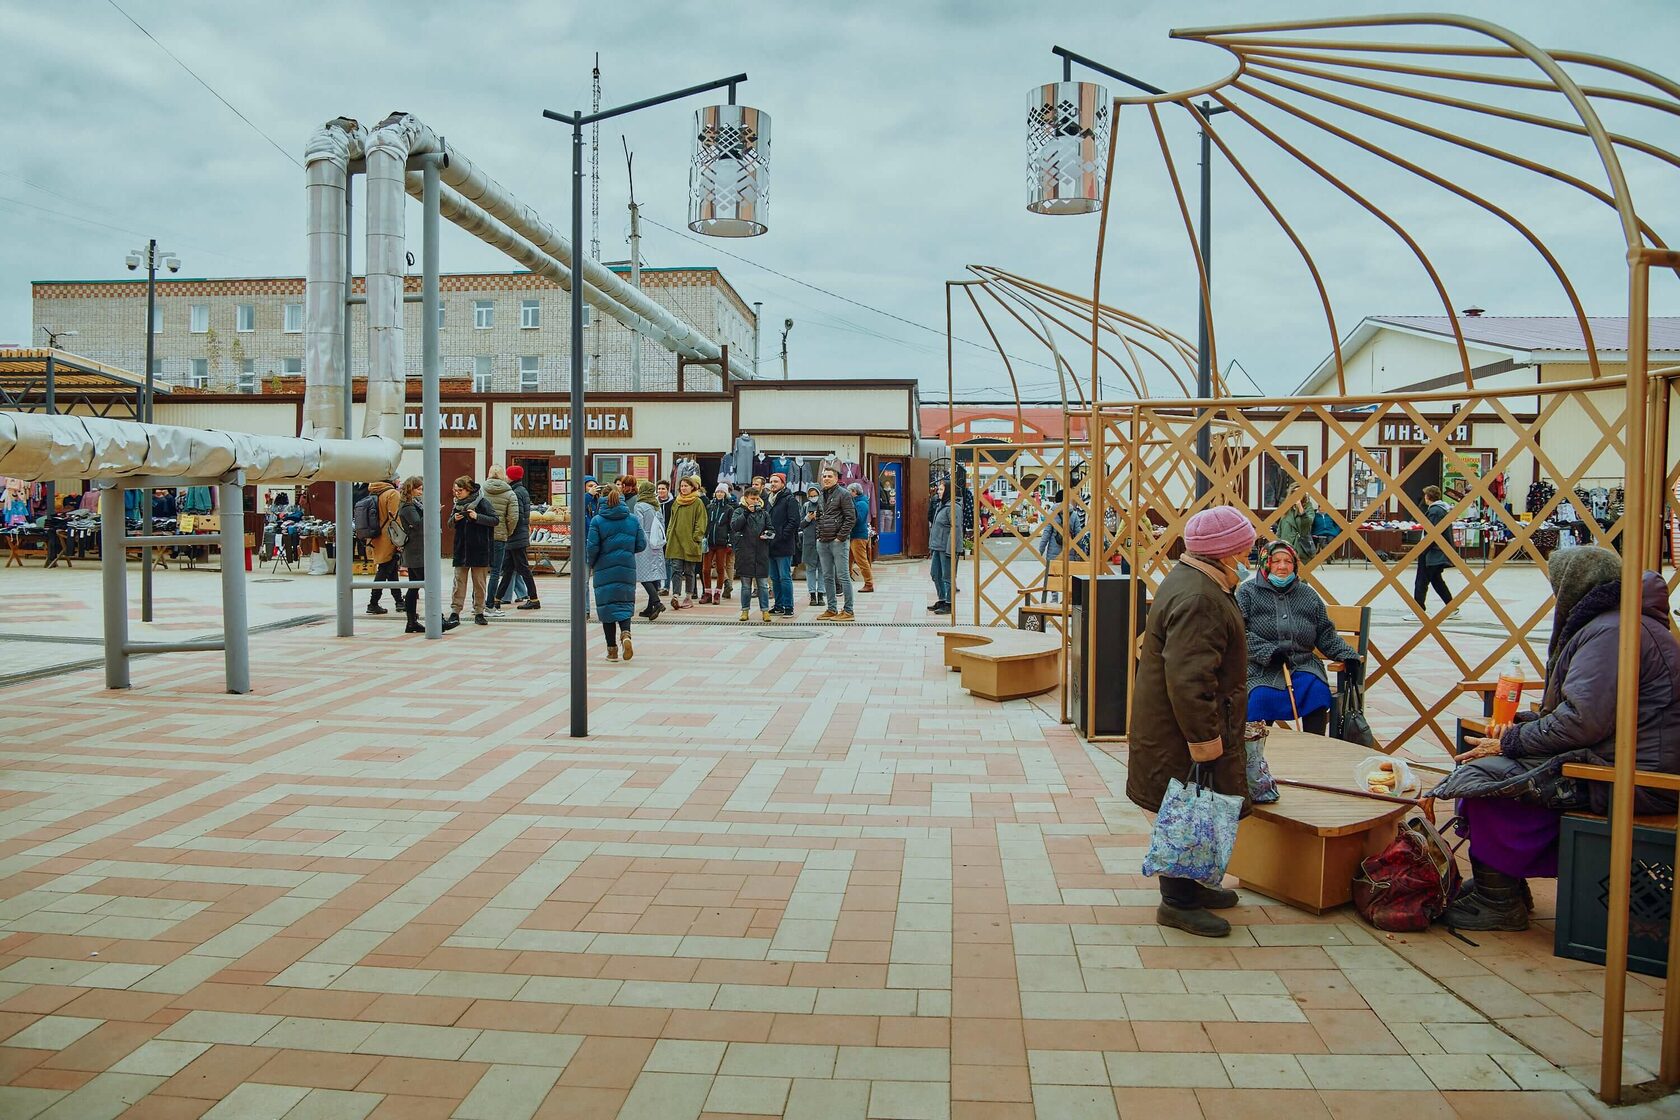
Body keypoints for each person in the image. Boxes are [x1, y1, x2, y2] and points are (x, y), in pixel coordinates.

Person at [1430, 546, 1680, 931]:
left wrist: (1511, 742)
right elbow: (1590, 713)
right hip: (1614, 759)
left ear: (1572, 587)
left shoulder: (1613, 631)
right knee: (1486, 765)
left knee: (1486, 781)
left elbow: (1583, 721)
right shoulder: (1615, 624)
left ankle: (1499, 902)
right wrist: (1524, 726)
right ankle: (1500, 888)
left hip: (1634, 777)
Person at [1127, 505, 1257, 938]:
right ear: (1227, 551)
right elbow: (1189, 678)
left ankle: (1191, 887)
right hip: (1183, 730)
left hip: (1174, 725)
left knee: (1195, 801)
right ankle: (1177, 902)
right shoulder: (1201, 596)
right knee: (1186, 805)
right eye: (1243, 546)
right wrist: (1204, 738)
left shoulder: (1193, 579)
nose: (1247, 553)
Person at [1235, 541, 1361, 734]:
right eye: (1276, 561)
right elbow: (1238, 633)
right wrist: (1269, 652)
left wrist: (1347, 655)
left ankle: (1313, 747)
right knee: (1260, 697)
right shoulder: (1247, 592)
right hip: (1262, 669)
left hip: (1303, 665)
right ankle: (1258, 753)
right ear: (1265, 564)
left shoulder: (1307, 594)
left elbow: (1325, 633)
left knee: (1316, 692)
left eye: (1288, 561)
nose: (1283, 566)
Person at [587, 487, 646, 661]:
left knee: (607, 609)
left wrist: (592, 562)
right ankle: (626, 635)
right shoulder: (632, 520)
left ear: (602, 499)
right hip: (626, 568)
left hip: (604, 569)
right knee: (624, 603)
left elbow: (592, 548)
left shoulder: (597, 521)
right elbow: (641, 544)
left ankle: (611, 650)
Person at [396, 477, 456, 634]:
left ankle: (412, 622)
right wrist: (433, 511)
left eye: (422, 489)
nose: (421, 492)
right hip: (417, 552)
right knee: (427, 585)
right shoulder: (408, 507)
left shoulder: (414, 504)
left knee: (415, 587)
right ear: (410, 489)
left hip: (417, 551)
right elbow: (419, 525)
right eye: (418, 489)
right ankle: (438, 620)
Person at [448, 475, 497, 626]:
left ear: (468, 490)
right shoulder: (457, 504)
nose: (457, 493)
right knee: (459, 582)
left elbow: (495, 520)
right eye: (455, 490)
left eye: (460, 490)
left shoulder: (482, 502)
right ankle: (455, 612)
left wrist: (477, 517)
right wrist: (454, 520)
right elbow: (449, 524)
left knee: (479, 583)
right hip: (461, 549)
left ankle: (479, 612)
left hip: (480, 549)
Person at [815, 466, 857, 621]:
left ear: (836, 478)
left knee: (843, 576)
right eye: (824, 476)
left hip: (838, 542)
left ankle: (848, 611)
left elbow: (851, 518)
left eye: (829, 476)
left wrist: (840, 537)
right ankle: (831, 609)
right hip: (823, 541)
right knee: (827, 576)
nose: (826, 478)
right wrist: (818, 535)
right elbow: (819, 516)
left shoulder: (844, 494)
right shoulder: (821, 494)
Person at [730, 487, 775, 622]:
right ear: (746, 498)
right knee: (745, 586)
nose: (755, 501)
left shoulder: (764, 513)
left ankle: (765, 611)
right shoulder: (738, 511)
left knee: (762, 585)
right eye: (752, 499)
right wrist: (746, 513)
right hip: (745, 553)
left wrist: (767, 535)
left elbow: (771, 529)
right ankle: (745, 611)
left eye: (757, 499)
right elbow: (734, 526)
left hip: (761, 552)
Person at [1414, 484, 1457, 616]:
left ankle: (1418, 610)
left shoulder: (1435, 511)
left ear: (1427, 497)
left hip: (1432, 552)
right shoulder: (1441, 510)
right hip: (1437, 552)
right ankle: (1452, 608)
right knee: (1436, 580)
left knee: (1421, 581)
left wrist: (1422, 550)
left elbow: (1431, 534)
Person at [665, 476, 708, 609]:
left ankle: (688, 596)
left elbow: (701, 522)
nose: (683, 488)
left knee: (689, 571)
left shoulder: (697, 502)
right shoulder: (676, 502)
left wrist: (696, 538)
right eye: (682, 486)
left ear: (692, 487)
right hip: (676, 541)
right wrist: (669, 534)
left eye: (686, 486)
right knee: (676, 569)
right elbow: (671, 521)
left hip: (690, 542)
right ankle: (676, 595)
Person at [500, 464, 538, 612]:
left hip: (515, 536)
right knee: (509, 568)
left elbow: (516, 516)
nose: (505, 477)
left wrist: (509, 530)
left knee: (522, 568)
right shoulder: (522, 490)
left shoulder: (515, 492)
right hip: (518, 535)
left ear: (511, 477)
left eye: (507, 475)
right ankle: (497, 598)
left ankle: (534, 598)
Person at [362, 477, 402, 615]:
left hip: (376, 536)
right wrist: (400, 540)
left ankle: (399, 601)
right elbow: (395, 518)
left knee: (391, 568)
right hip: (390, 536)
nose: (399, 481)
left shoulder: (373, 492)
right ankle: (373, 602)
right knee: (385, 569)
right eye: (397, 478)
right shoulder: (392, 494)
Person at [482, 466, 516, 615]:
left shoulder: (481, 491)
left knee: (480, 571)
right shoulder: (509, 493)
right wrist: (508, 531)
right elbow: (513, 517)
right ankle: (490, 604)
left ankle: (476, 603)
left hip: (482, 535)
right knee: (496, 572)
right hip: (499, 536)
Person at [766, 473, 800, 616]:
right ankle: (778, 605)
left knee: (784, 577)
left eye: (776, 481)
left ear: (783, 483)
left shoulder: (789, 499)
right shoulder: (768, 500)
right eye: (771, 481)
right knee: (774, 577)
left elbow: (794, 521)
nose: (773, 484)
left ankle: (788, 606)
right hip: (769, 545)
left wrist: (782, 536)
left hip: (784, 545)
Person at [633, 480, 668, 620]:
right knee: (653, 574)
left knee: (642, 575)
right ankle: (650, 607)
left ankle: (657, 602)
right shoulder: (656, 506)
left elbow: (638, 525)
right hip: (657, 542)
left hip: (645, 541)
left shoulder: (639, 506)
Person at [929, 485, 960, 615]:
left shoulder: (954, 507)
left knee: (947, 576)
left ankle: (949, 603)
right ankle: (942, 599)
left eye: (941, 489)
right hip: (937, 546)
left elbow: (956, 528)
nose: (938, 491)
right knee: (935, 574)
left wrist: (951, 548)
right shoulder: (941, 505)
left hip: (946, 547)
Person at [703, 483, 736, 604]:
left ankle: (717, 593)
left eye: (722, 492)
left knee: (720, 568)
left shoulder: (729, 509)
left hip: (722, 543)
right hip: (709, 542)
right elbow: (704, 522)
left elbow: (731, 527)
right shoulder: (709, 507)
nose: (719, 494)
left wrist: (730, 542)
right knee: (706, 569)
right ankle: (707, 593)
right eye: (718, 492)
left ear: (725, 494)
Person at [1276, 489, 1318, 562]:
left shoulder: (1308, 507)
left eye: (1299, 492)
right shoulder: (1287, 508)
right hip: (1286, 546)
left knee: (1301, 571)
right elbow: (1280, 528)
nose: (1296, 494)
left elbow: (1308, 523)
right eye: (1294, 492)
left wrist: (1300, 507)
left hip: (1301, 548)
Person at [848, 483, 875, 593]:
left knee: (861, 561)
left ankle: (869, 584)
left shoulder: (861, 503)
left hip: (858, 536)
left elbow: (857, 519)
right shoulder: (858, 502)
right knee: (848, 560)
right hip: (853, 535)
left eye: (849, 491)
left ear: (854, 492)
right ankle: (845, 581)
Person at [800, 485, 824, 607]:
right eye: (811, 496)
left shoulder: (824, 505)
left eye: (815, 495)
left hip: (822, 540)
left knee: (822, 568)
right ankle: (812, 594)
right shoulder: (805, 506)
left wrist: (818, 517)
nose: (813, 497)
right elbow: (801, 524)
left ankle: (821, 593)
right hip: (809, 541)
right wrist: (808, 518)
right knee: (810, 569)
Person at [656, 480, 674, 594]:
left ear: (667, 490)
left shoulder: (673, 503)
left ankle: (666, 586)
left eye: (663, 489)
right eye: (659, 489)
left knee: (667, 561)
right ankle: (657, 586)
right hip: (657, 536)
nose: (660, 491)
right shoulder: (654, 503)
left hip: (669, 535)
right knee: (657, 561)